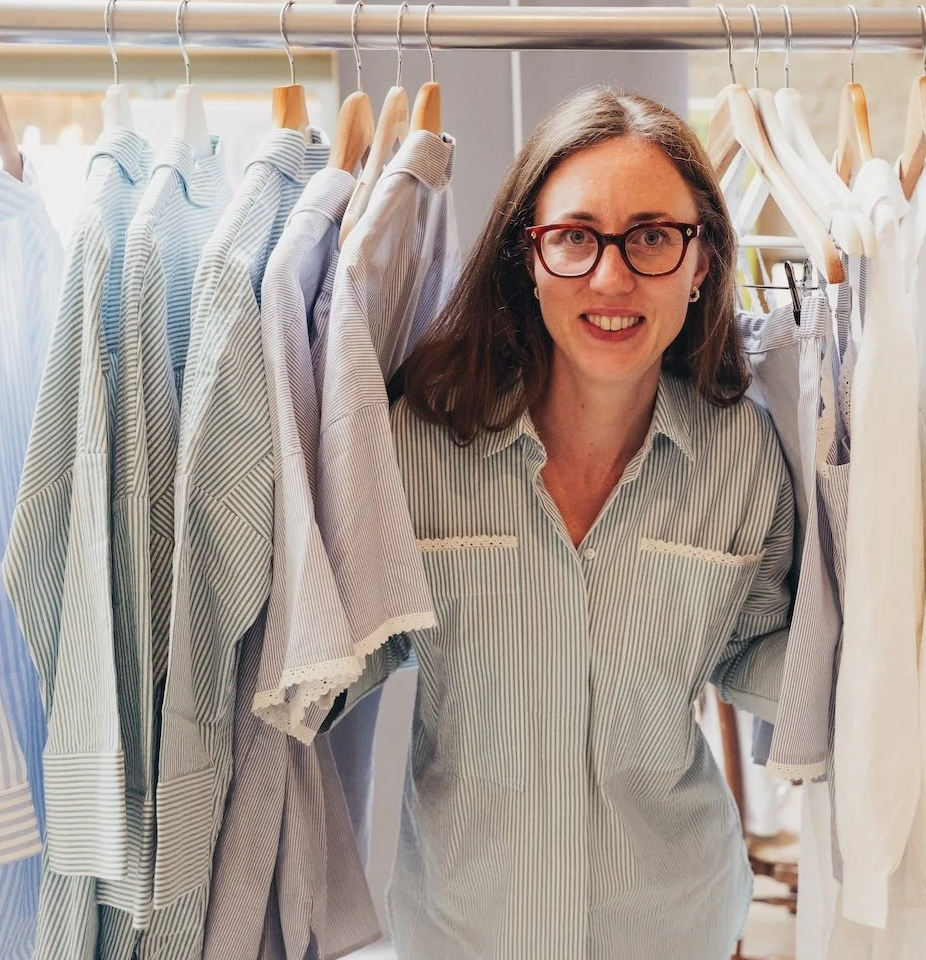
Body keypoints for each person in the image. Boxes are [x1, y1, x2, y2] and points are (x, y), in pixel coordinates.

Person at [327, 87, 795, 958]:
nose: (612, 279)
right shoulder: (411, 444)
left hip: (679, 923)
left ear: (702, 265)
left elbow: (767, 661)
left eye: (654, 236)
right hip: (464, 931)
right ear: (527, 259)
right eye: (577, 237)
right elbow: (324, 672)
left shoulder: (746, 456)